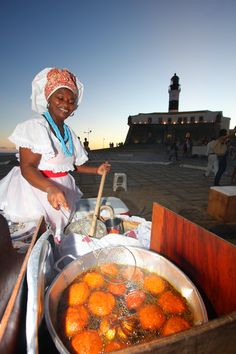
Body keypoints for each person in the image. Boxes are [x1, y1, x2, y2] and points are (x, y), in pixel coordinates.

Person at [0, 67, 110, 242]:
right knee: (38, 238)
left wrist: (96, 170)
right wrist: (50, 188)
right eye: (60, 98)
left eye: (71, 101)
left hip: (61, 189)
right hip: (37, 191)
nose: (66, 104)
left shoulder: (69, 133)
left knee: (57, 236)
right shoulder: (35, 127)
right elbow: (27, 168)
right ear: (48, 99)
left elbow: (71, 165)